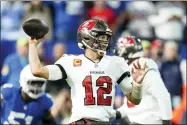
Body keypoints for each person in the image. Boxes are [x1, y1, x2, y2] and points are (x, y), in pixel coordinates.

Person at [28, 19, 149, 124]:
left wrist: (138, 84)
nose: (105, 41)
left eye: (106, 38)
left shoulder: (116, 63)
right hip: (81, 121)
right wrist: (33, 45)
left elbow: (135, 100)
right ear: (87, 38)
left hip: (105, 122)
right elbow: (37, 71)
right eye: (101, 37)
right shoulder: (71, 62)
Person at [114, 36, 172, 124]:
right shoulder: (129, 70)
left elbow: (163, 96)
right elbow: (132, 106)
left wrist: (166, 121)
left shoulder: (143, 69)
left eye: (119, 50)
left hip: (149, 121)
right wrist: (116, 113)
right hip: (136, 120)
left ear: (126, 52)